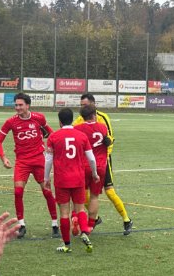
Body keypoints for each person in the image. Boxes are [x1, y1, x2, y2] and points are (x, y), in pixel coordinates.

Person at [0, 92, 59, 238]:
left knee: (47, 192)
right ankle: (21, 225)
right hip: (22, 162)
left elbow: (52, 134)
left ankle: (55, 224)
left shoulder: (39, 118)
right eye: (16, 105)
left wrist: (52, 146)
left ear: (27, 105)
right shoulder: (11, 122)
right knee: (18, 192)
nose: (17, 107)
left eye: (20, 105)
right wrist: (3, 158)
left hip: (39, 160)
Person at [72, 93, 133, 235]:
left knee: (109, 191)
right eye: (81, 105)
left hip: (102, 160)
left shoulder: (103, 118)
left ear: (93, 105)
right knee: (84, 194)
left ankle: (126, 220)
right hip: (86, 163)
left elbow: (111, 137)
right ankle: (95, 218)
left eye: (85, 105)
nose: (82, 108)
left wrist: (107, 146)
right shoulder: (79, 120)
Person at [44, 108, 99, 253]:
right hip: (78, 178)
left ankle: (67, 245)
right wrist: (94, 173)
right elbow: (91, 158)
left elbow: (48, 160)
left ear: (60, 121)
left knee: (64, 213)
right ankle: (85, 233)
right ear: (72, 119)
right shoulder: (81, 136)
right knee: (80, 209)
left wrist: (46, 178)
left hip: (62, 179)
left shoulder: (54, 137)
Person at [73, 104, 111, 234]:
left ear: (82, 117)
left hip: (83, 165)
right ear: (94, 115)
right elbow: (107, 141)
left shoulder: (77, 128)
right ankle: (90, 226)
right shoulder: (103, 127)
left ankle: (76, 218)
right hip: (100, 167)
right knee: (94, 197)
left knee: (79, 195)